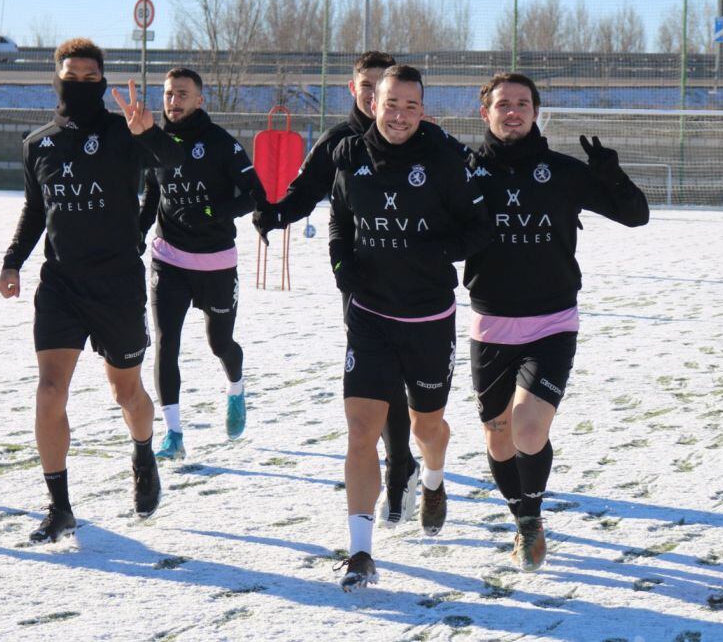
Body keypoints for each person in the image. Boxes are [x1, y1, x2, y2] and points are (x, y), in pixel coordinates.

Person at [0, 38, 185, 543]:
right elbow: (37, 211)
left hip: (117, 283)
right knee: (49, 389)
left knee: (126, 389)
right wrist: (13, 262)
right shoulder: (37, 144)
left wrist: (149, 133)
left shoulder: (124, 133)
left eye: (89, 77)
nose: (79, 83)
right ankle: (59, 506)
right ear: (56, 79)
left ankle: (144, 453)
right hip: (60, 284)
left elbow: (173, 163)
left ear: (102, 81)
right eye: (70, 75)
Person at [463, 73, 648, 572]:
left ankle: (531, 522)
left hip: (552, 323)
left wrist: (611, 175)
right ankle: (520, 514)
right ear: (487, 114)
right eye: (504, 104)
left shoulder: (561, 171)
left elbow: (637, 215)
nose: (514, 111)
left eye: (523, 103)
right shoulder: (464, 170)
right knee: (498, 437)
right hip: (490, 325)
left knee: (527, 430)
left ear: (536, 112)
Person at [256, 51, 441, 529]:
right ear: (355, 90)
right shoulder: (339, 140)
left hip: (416, 289)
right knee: (376, 384)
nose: (375, 93)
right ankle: (396, 466)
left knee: (403, 382)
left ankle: (402, 467)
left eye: (384, 84)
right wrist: (276, 214)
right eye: (367, 84)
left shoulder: (422, 138)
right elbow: (309, 192)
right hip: (361, 284)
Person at [328, 65, 492, 590]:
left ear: (423, 111)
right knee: (360, 432)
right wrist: (341, 264)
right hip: (371, 316)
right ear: (372, 102)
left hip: (427, 317)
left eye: (410, 108)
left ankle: (435, 480)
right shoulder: (350, 156)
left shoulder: (445, 159)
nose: (399, 116)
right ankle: (360, 552)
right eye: (391, 104)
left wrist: (443, 251)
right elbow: (339, 216)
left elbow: (480, 224)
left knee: (426, 429)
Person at [139, 67, 267, 459]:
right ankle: (173, 435)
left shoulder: (220, 144)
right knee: (166, 342)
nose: (172, 101)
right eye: (167, 94)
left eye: (181, 94)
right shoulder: (155, 144)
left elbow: (254, 195)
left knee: (220, 342)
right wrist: (133, 239)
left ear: (200, 100)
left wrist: (211, 211)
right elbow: (151, 200)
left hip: (215, 263)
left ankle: (236, 387)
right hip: (168, 260)